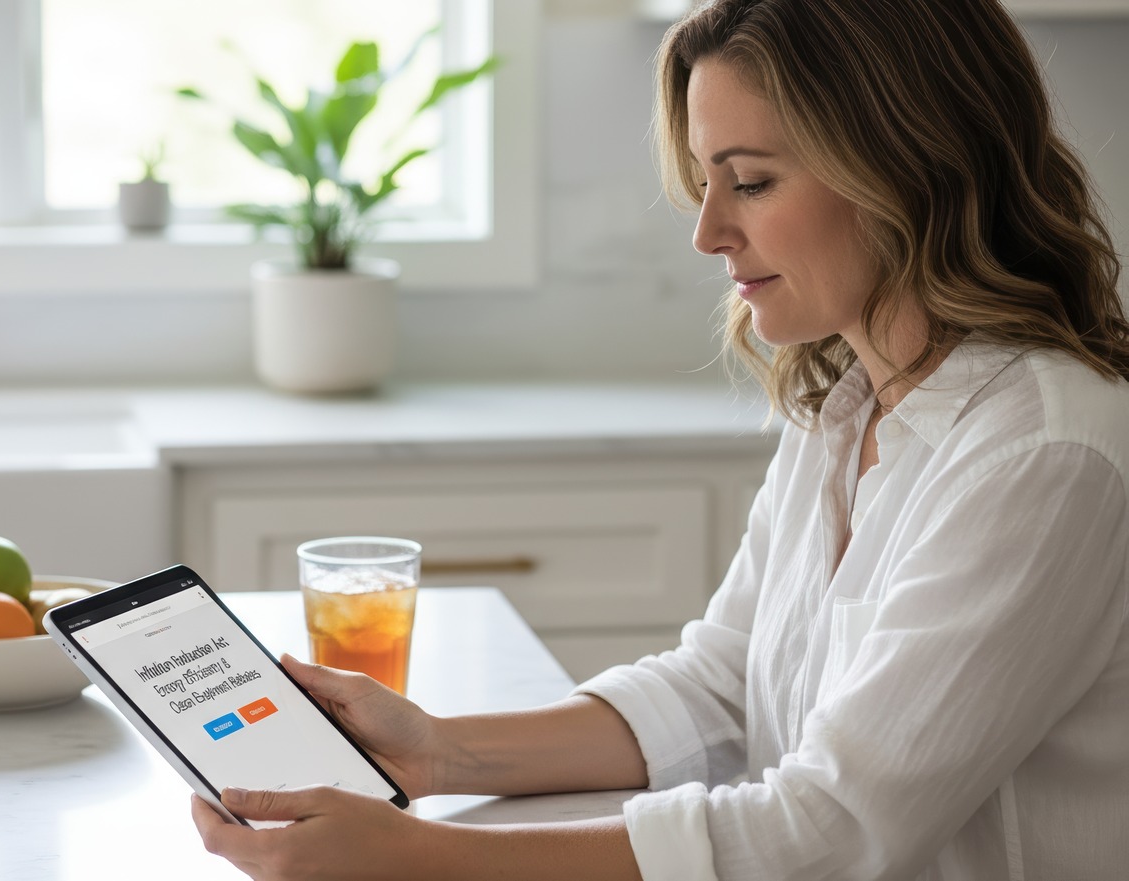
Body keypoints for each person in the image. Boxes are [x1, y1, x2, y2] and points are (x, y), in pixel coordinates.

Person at [191, 0, 1129, 877]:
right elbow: (721, 684)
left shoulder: (1042, 453)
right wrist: (440, 747)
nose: (710, 232)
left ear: (907, 165)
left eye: (751, 182)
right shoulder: (850, 402)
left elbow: (835, 826)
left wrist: (419, 857)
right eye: (707, 181)